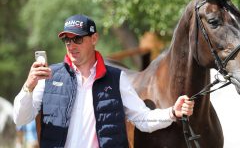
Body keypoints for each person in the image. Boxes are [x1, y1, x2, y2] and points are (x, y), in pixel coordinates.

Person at [13, 14, 195, 148]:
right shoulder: (48, 77)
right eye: (67, 40)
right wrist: (28, 86)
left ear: (94, 38)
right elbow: (21, 118)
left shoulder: (116, 78)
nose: (71, 45)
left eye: (77, 38)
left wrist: (172, 112)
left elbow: (142, 118)